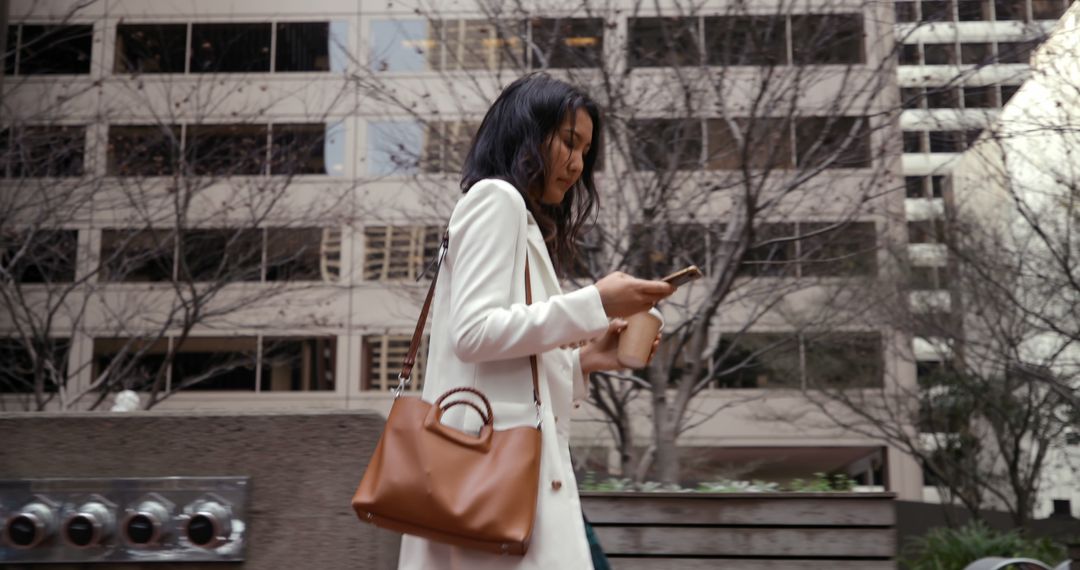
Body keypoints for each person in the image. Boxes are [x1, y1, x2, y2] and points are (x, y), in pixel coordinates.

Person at [397, 72, 674, 570]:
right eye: (569, 142)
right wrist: (596, 303)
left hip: (498, 483)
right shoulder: (495, 200)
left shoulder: (516, 217)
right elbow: (474, 333)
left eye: (586, 151)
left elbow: (505, 367)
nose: (577, 164)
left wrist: (585, 360)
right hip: (492, 484)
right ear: (527, 133)